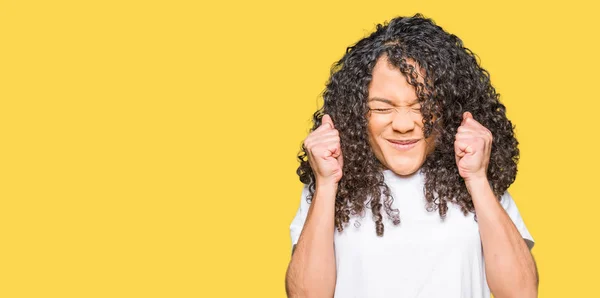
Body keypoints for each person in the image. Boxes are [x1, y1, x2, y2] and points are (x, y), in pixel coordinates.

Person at [284, 13, 538, 298]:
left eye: (421, 106)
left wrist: (477, 178)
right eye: (382, 108)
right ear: (356, 114)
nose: (403, 125)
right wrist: (327, 183)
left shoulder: (478, 181)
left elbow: (521, 293)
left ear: (448, 110)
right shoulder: (329, 188)